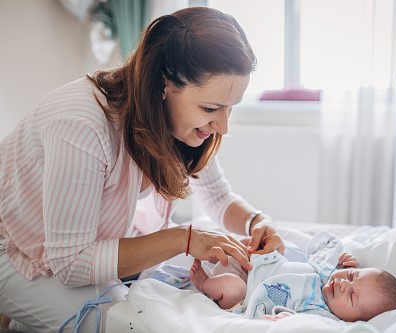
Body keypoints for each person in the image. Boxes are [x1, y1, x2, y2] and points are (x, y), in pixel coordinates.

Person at [0, 7, 284, 333]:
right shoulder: (81, 125)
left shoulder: (178, 124)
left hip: (75, 246)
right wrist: (182, 238)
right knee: (130, 321)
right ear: (164, 82)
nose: (223, 126)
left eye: (231, 108)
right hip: (14, 246)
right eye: (210, 108)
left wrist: (256, 221)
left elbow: (218, 197)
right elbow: (71, 263)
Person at [189, 232, 396, 322]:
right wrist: (342, 260)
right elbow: (322, 244)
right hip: (253, 265)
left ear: (352, 320)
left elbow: (299, 322)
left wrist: (286, 320)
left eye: (351, 296)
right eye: (351, 276)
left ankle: (203, 282)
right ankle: (215, 257)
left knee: (232, 287)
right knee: (248, 243)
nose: (343, 284)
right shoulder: (327, 272)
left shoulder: (321, 314)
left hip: (245, 295)